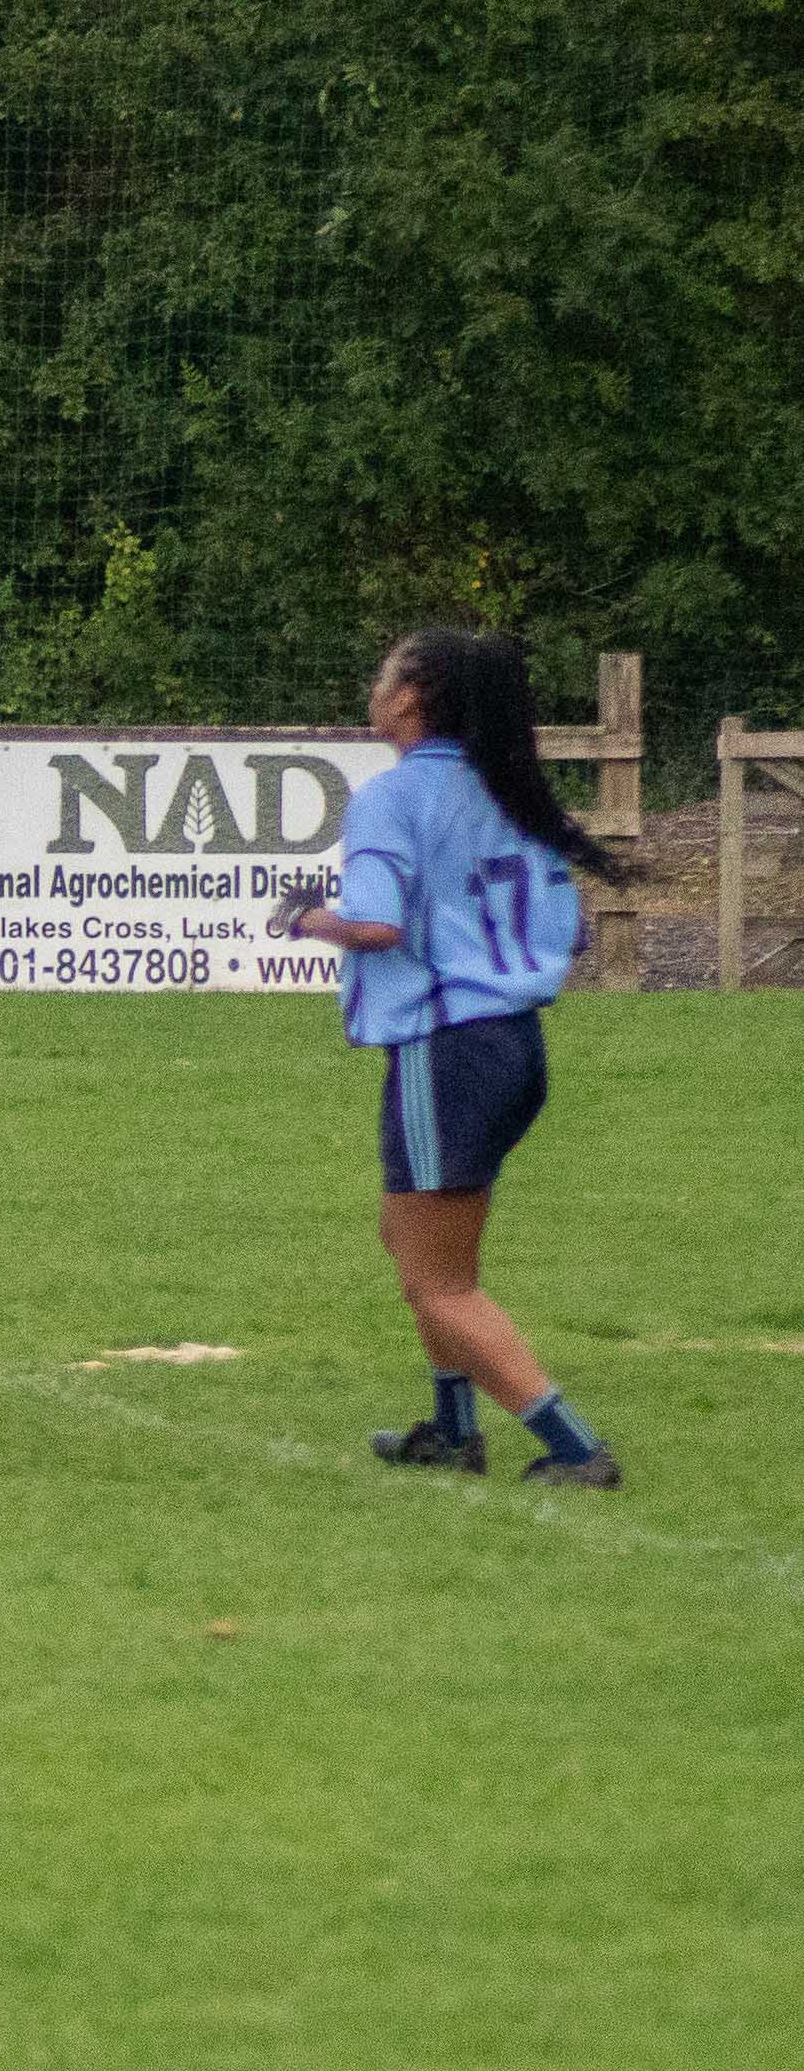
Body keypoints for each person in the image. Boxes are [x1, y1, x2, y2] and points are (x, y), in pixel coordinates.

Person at [266, 628, 626, 1488]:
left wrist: (306, 919)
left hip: (447, 1049)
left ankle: (577, 1449)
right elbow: (567, 931)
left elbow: (377, 925)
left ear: (411, 696)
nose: (373, 685)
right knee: (408, 1239)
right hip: (512, 1044)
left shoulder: (392, 798)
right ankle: (455, 1431)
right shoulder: (509, 790)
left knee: (440, 1283)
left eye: (383, 672)